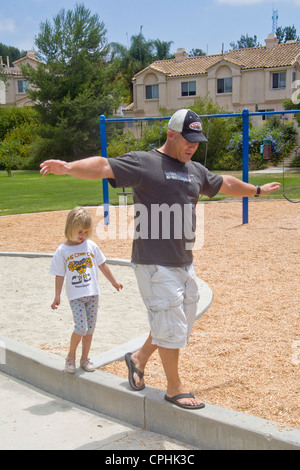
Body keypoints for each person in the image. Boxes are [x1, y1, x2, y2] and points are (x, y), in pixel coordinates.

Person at [41, 109, 281, 408]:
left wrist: (257, 190)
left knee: (178, 324)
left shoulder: (194, 170)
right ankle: (174, 387)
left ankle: (138, 358)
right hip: (154, 262)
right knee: (171, 323)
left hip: (184, 261)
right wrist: (67, 167)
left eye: (196, 141)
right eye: (187, 139)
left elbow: (225, 183)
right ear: (171, 134)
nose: (192, 146)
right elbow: (104, 166)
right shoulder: (145, 162)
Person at [50, 206, 123, 374]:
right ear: (70, 229)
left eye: (85, 232)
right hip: (76, 296)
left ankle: (84, 358)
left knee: (90, 329)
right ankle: (70, 357)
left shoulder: (91, 246)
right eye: (79, 232)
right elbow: (59, 274)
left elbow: (102, 265)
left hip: (92, 294)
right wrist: (57, 295)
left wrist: (114, 281)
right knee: (81, 327)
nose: (82, 236)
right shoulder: (63, 251)